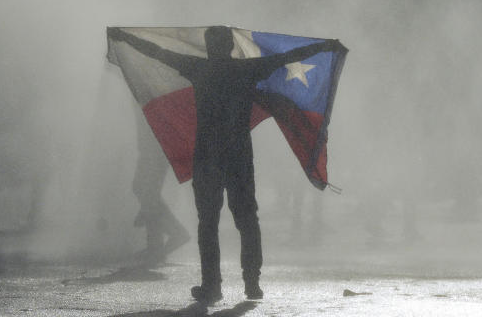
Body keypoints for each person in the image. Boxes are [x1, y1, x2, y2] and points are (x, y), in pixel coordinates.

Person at [107, 25, 343, 304]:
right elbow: (287, 56)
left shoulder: (199, 68)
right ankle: (252, 283)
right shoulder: (246, 70)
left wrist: (125, 37)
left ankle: (212, 286)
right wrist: (325, 47)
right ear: (231, 46)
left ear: (209, 46)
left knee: (208, 222)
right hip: (239, 156)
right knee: (246, 220)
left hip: (207, 156)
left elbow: (158, 53)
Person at [132, 105, 190, 264]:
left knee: (147, 192)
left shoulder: (147, 86)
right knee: (145, 191)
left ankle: (172, 234)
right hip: (151, 145)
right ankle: (156, 246)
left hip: (156, 146)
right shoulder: (139, 87)